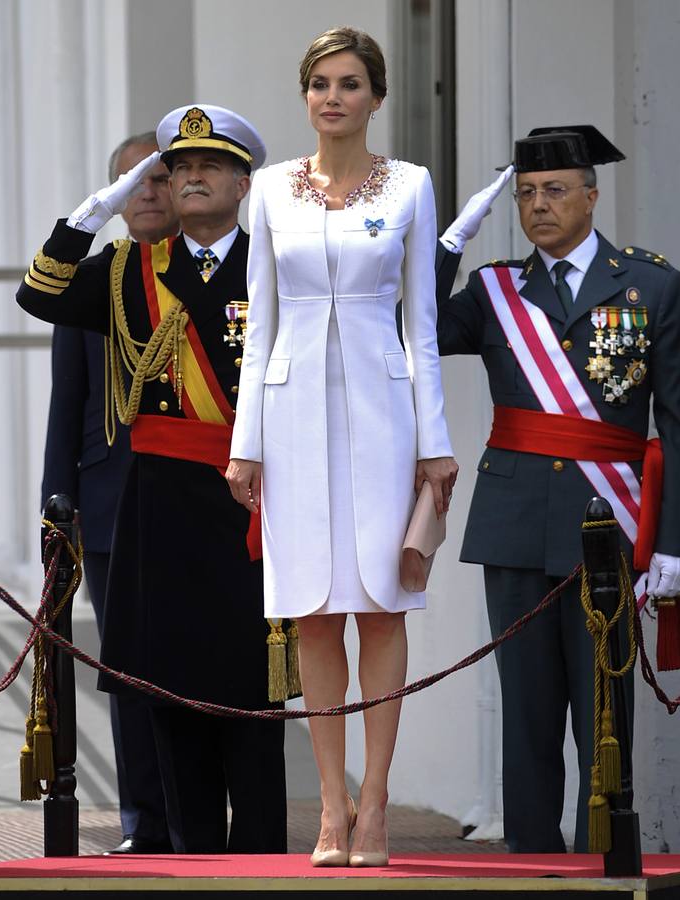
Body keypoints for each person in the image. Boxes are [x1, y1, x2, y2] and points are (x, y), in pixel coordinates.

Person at [18, 104, 287, 855]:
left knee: (250, 691)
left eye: (208, 168)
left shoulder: (277, 258)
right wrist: (99, 207)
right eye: (177, 168)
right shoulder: (125, 271)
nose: (189, 178)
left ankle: (263, 851)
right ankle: (194, 853)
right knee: (166, 688)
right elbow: (38, 293)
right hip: (158, 506)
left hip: (251, 498)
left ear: (242, 184)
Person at [226, 27, 456, 868]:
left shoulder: (411, 187)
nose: (332, 97)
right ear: (305, 95)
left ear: (376, 96)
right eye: (319, 83)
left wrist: (434, 440)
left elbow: (421, 325)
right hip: (288, 418)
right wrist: (245, 444)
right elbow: (258, 328)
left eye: (350, 83)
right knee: (313, 613)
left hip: (385, 411)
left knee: (379, 604)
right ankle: (328, 803)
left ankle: (375, 801)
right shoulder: (267, 191)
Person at [435, 125, 680, 852]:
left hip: (608, 526)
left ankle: (603, 859)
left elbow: (675, 417)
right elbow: (400, 326)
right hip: (512, 523)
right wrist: (445, 248)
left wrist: (670, 542)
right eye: (524, 196)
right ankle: (531, 863)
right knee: (527, 713)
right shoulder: (492, 290)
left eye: (554, 191)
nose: (538, 206)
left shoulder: (650, 284)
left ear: (590, 196)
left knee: (603, 707)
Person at [41, 131, 178, 855]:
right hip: (109, 505)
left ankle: (197, 820)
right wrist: (55, 510)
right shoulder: (92, 279)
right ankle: (143, 821)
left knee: (200, 666)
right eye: (130, 184)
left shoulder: (206, 276)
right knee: (127, 673)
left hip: (200, 500)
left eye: (158, 179)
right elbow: (69, 403)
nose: (146, 194)